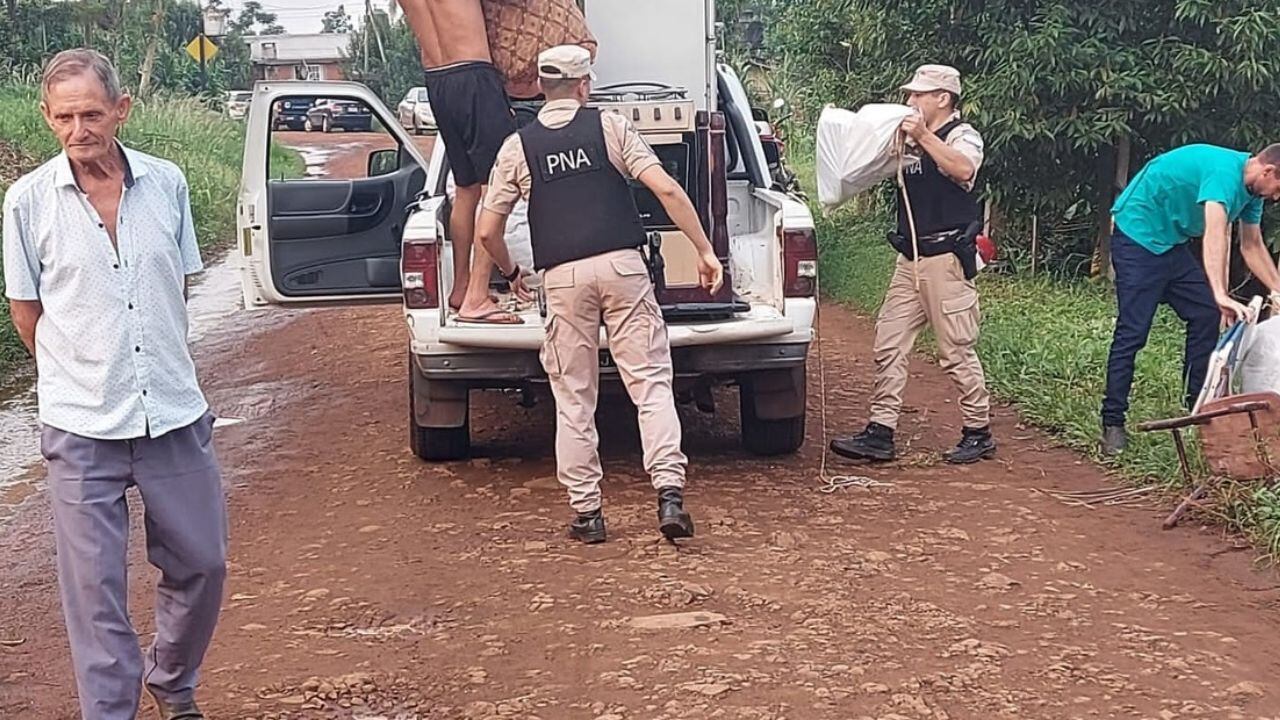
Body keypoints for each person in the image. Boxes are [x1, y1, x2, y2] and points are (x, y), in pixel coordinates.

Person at [2, 50, 226, 720]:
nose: (78, 129)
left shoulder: (168, 184)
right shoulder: (27, 201)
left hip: (174, 414)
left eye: (91, 113)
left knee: (204, 564)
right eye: (64, 116)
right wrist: (76, 377)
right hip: (81, 428)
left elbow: (178, 284)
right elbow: (26, 311)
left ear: (120, 111)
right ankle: (110, 713)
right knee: (94, 594)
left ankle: (173, 680)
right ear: (47, 117)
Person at [474, 45, 723, 544]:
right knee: (650, 384)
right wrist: (704, 250)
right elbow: (668, 190)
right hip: (623, 267)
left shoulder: (516, 147)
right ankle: (669, 493)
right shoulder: (611, 127)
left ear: (542, 89)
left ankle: (588, 514)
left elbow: (485, 230)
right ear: (585, 85)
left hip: (561, 278)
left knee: (573, 398)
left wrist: (510, 270)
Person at [830, 64, 996, 465]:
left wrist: (921, 136)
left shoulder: (961, 135)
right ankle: (880, 430)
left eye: (918, 95)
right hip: (910, 259)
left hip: (945, 261)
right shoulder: (908, 140)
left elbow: (964, 169)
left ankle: (979, 430)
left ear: (943, 98)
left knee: (955, 349)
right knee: (888, 341)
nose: (910, 102)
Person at [396, 0, 594, 324]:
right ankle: (476, 297)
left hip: (436, 80)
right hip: (473, 76)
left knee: (466, 189)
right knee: (496, 189)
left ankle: (461, 288)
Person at [1100, 143, 1280, 455]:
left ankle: (1197, 408)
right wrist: (1221, 293)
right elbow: (1214, 233)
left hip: (1171, 244)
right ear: (1268, 171)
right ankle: (1112, 423)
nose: (1276, 196)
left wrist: (1277, 290)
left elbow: (1250, 246)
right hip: (1137, 237)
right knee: (1133, 331)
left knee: (1206, 313)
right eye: (1278, 188)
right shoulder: (1224, 174)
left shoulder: (1252, 193)